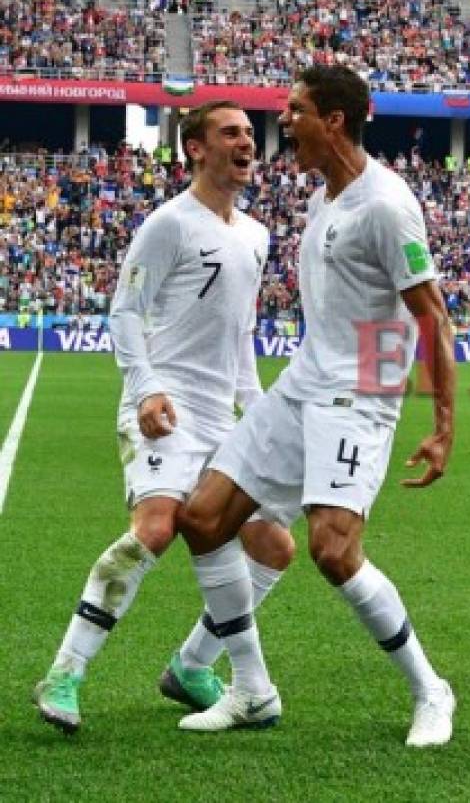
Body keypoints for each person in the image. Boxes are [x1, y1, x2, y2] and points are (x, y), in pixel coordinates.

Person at [172, 65, 458, 746]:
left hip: (357, 396)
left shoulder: (386, 205)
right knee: (204, 518)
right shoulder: (323, 199)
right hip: (303, 383)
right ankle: (250, 690)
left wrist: (441, 425)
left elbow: (432, 317)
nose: (283, 122)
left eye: (294, 110)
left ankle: (430, 691)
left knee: (333, 551)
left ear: (333, 120)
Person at [33, 102, 296, 735]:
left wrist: (256, 411)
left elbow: (239, 335)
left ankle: (193, 665)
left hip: (221, 414)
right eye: (230, 133)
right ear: (196, 150)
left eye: (249, 134)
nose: (247, 143)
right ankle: (65, 673)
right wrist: (145, 386)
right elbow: (125, 313)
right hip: (163, 407)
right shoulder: (168, 224)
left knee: (273, 543)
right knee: (156, 528)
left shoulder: (257, 235)